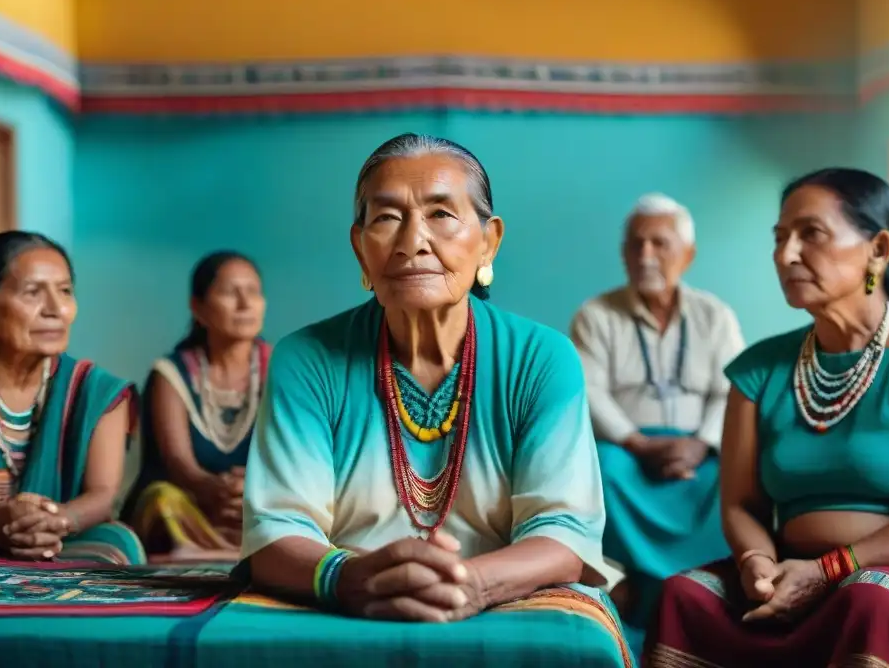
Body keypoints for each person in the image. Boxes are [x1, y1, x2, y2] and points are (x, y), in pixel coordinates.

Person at [240, 134, 633, 664]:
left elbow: (563, 532)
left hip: (500, 596)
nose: (413, 241)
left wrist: (472, 583)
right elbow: (277, 531)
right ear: (360, 247)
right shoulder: (306, 360)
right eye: (386, 218)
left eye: (441, 214)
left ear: (489, 242)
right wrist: (347, 577)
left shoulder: (543, 359)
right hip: (348, 602)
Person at [647, 168, 889, 668]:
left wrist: (831, 569)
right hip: (791, 571)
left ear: (878, 250)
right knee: (684, 595)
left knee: (869, 600)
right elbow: (741, 505)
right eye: (779, 238)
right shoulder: (758, 369)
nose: (786, 255)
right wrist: (758, 565)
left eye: (810, 234)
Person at [571, 194, 743, 618]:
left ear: (688, 255)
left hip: (698, 450)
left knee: (738, 476)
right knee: (604, 471)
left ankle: (710, 590)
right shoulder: (596, 315)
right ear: (624, 254)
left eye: (659, 243)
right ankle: (643, 590)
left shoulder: (714, 315)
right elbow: (587, 391)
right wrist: (638, 445)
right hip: (628, 451)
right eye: (636, 244)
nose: (646, 255)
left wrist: (702, 444)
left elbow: (734, 390)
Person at [0, 231, 144, 565]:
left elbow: (102, 496)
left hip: (58, 540)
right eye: (33, 293)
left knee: (117, 546)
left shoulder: (96, 391)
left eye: (65, 291)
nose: (55, 309)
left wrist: (57, 520)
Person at [125, 252, 270, 561]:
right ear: (198, 308)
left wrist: (253, 490)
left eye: (254, 292)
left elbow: (295, 458)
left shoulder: (281, 368)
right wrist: (215, 489)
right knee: (161, 500)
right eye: (231, 292)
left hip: (255, 503)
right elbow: (179, 463)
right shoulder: (172, 374)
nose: (246, 303)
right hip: (192, 506)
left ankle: (221, 551)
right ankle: (227, 552)